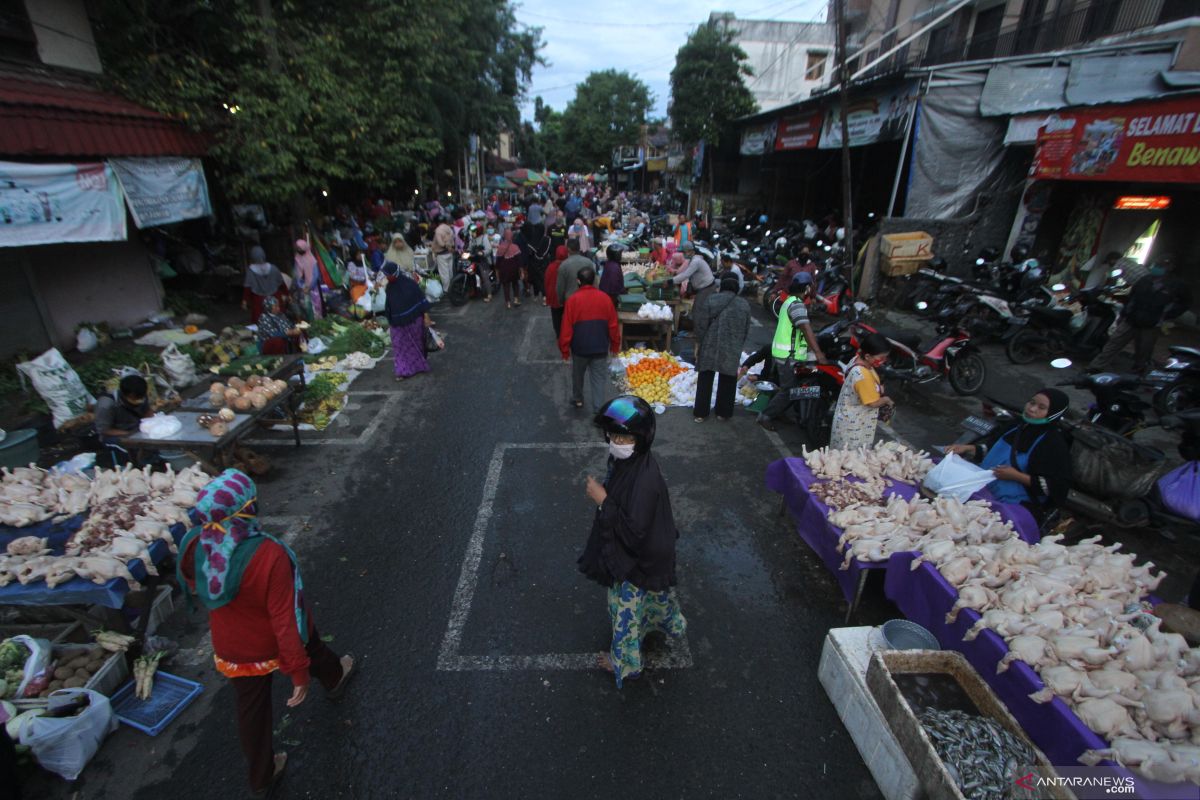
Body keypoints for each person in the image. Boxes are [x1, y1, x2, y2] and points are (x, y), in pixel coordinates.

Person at [177, 469, 356, 797]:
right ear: (246, 510)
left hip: (233, 648)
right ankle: (334, 678)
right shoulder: (268, 554)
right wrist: (297, 673)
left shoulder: (193, 542)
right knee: (310, 644)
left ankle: (262, 774)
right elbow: (285, 621)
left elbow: (191, 579)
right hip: (272, 641)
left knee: (252, 709)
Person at [577, 395, 686, 687]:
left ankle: (624, 662)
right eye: (613, 436)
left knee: (623, 611)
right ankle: (659, 626)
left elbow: (633, 531)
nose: (616, 443)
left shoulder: (644, 479)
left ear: (641, 439)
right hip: (653, 554)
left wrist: (603, 500)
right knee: (653, 597)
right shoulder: (635, 463)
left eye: (624, 438)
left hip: (638, 559)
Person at [943, 389, 1073, 517]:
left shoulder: (1053, 444)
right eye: (1032, 402)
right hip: (980, 489)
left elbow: (1055, 487)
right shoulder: (1015, 426)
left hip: (1014, 506)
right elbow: (991, 449)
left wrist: (1016, 476)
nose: (1032, 409)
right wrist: (968, 448)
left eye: (1041, 407)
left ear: (1053, 413)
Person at [1088, 261, 1192, 374]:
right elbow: (1132, 297)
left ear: (1170, 268)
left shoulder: (1176, 285)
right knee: (1113, 343)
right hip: (1132, 319)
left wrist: (1167, 314)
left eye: (1161, 266)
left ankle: (1138, 372)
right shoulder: (1145, 280)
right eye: (1157, 265)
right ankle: (1096, 367)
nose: (1157, 268)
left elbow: (1185, 303)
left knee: (1143, 350)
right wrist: (1124, 314)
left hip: (1151, 323)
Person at [757, 273, 828, 432]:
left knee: (789, 388)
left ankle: (779, 411)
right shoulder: (797, 305)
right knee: (789, 389)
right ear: (807, 288)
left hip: (785, 353)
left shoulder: (789, 301)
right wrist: (818, 353)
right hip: (789, 355)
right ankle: (766, 416)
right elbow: (806, 328)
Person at [559, 266, 619, 412]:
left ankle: (578, 399)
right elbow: (613, 326)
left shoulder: (572, 301)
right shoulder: (605, 299)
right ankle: (598, 409)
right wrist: (614, 347)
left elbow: (566, 328)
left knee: (577, 375)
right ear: (594, 281)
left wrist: (565, 351)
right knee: (598, 379)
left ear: (578, 281)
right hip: (600, 346)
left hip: (579, 348)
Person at [693, 273, 751, 422]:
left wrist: (698, 343)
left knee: (705, 377)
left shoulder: (711, 300)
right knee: (728, 379)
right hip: (732, 346)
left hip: (710, 344)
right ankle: (723, 413)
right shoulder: (744, 304)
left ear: (722, 285)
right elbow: (746, 329)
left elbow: (701, 324)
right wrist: (738, 344)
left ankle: (701, 413)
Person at [829, 333, 894, 449]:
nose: (884, 361)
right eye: (881, 358)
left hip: (845, 419)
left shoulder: (856, 359)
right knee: (852, 460)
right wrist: (886, 400)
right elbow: (872, 403)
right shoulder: (863, 376)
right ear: (868, 356)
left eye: (886, 357)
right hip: (855, 428)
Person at [383, 263, 435, 380]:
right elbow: (389, 306)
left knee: (416, 344)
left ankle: (417, 366)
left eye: (388, 275)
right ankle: (402, 371)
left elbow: (420, 299)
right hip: (397, 324)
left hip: (414, 321)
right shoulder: (390, 288)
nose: (387, 277)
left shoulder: (409, 284)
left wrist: (426, 315)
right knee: (400, 347)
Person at [95, 374, 152, 465]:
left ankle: (151, 460)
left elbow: (148, 412)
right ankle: (133, 465)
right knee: (130, 449)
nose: (140, 399)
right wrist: (130, 435)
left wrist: (151, 424)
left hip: (136, 428)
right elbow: (104, 430)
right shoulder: (106, 404)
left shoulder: (141, 395)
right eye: (136, 398)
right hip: (115, 435)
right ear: (129, 395)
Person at [243, 246, 288, 323]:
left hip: (259, 300)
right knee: (278, 319)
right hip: (275, 297)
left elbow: (247, 288)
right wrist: (286, 293)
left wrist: (245, 300)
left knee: (261, 321)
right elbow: (281, 283)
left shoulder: (251, 271)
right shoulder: (273, 268)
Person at [290, 240, 325, 321]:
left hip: (313, 288)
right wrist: (302, 286)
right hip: (303, 289)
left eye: (300, 248)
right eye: (297, 248)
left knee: (316, 307)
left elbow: (316, 275)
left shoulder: (312, 259)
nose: (299, 250)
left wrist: (309, 287)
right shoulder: (297, 258)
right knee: (305, 308)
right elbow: (297, 275)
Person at [522, 214, 552, 303]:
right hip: (544, 263)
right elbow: (547, 251)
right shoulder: (547, 239)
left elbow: (529, 252)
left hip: (534, 263)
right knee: (542, 279)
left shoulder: (532, 239)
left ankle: (536, 295)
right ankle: (544, 296)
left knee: (536, 279)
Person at [556, 238, 593, 306]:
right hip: (588, 299)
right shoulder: (589, 262)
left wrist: (561, 301)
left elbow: (560, 288)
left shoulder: (564, 265)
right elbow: (594, 283)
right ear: (579, 248)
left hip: (570, 301)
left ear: (568, 249)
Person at [494, 228, 525, 308]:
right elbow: (519, 261)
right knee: (515, 284)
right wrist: (521, 271)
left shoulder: (500, 247)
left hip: (504, 270)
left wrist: (497, 271)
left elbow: (498, 261)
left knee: (506, 286)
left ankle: (508, 302)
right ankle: (516, 299)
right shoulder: (515, 247)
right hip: (514, 270)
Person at [545, 244, 568, 337]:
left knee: (556, 316)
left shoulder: (550, 267)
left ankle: (559, 333)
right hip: (565, 296)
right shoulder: (567, 266)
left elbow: (547, 281)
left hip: (554, 296)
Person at [430, 218, 456, 291]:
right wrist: (450, 248)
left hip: (442, 254)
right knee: (450, 272)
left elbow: (441, 244)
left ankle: (446, 290)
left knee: (444, 274)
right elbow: (453, 240)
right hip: (449, 253)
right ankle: (452, 287)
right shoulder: (449, 229)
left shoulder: (438, 230)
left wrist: (446, 247)